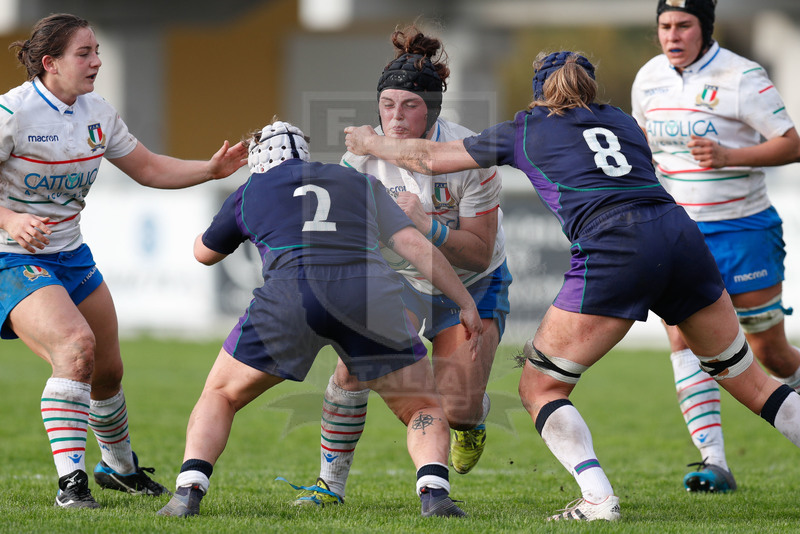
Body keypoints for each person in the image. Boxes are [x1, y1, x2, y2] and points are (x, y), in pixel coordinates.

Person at [344, 50, 800, 522]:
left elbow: (426, 158)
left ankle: (598, 500)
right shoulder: (622, 120)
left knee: (539, 387)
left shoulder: (528, 126)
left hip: (615, 245)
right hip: (681, 236)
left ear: (539, 93)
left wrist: (370, 142)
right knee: (750, 380)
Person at [156, 120, 483, 518]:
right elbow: (412, 244)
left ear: (258, 161)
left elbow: (204, 254)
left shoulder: (252, 189)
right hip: (368, 297)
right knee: (421, 405)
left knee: (221, 395)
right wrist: (464, 301)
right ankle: (434, 493)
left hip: (291, 297)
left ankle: (188, 490)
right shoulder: (359, 182)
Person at [0, 13, 247, 509]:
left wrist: (210, 169)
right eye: (84, 53)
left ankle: (119, 468)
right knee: (75, 348)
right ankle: (71, 484)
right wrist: (9, 219)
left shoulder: (97, 112)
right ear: (50, 63)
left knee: (107, 372)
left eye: (97, 51)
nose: (96, 61)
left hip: (71, 256)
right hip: (10, 258)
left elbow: (149, 168)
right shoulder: (13, 113)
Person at [289, 25, 511, 507]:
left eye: (409, 105)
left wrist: (425, 226)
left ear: (432, 109)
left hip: (473, 282)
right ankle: (329, 485)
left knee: (458, 407)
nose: (394, 116)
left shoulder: (469, 155)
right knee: (354, 369)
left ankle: (471, 420)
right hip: (400, 280)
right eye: (387, 104)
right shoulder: (358, 162)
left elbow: (477, 252)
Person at [631, 0, 800, 494]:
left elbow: (791, 144)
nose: (672, 34)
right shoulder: (648, 78)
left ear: (704, 28)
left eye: (683, 25)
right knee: (684, 340)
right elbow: (643, 144)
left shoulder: (742, 76)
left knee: (770, 352)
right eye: (665, 25)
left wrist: (729, 156)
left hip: (742, 230)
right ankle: (714, 464)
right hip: (680, 234)